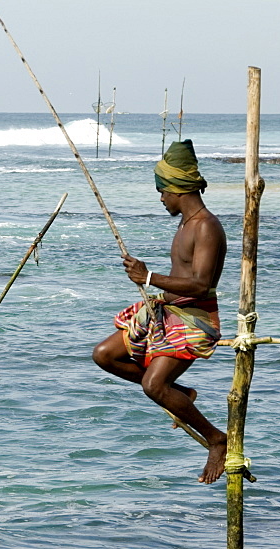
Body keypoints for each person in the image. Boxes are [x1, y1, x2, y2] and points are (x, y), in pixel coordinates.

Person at [92, 139, 228, 483]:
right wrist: (151, 283)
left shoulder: (206, 227)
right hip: (165, 309)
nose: (161, 198)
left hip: (192, 317)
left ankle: (217, 440)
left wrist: (149, 276)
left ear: (177, 189)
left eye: (162, 191)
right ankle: (180, 394)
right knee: (104, 355)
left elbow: (200, 284)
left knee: (153, 386)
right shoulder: (185, 224)